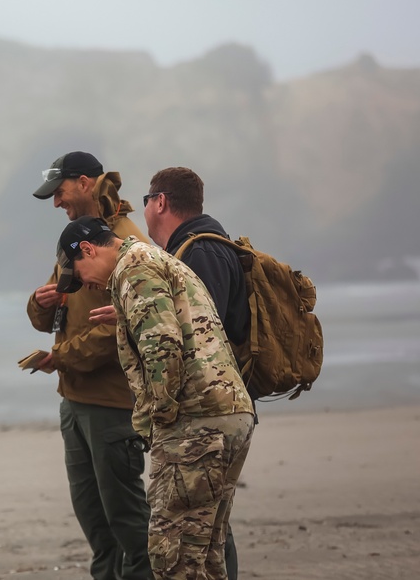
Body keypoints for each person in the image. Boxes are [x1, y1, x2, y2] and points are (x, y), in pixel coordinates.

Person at [56, 216, 255, 580]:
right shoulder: (152, 260)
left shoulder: (133, 268)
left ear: (87, 249)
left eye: (79, 274)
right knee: (207, 553)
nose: (85, 283)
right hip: (229, 411)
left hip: (195, 422)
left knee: (172, 554)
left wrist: (158, 420)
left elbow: (163, 349)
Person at [26, 151, 153, 580]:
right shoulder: (77, 237)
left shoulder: (126, 244)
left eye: (60, 193)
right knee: (96, 525)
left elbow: (128, 327)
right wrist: (40, 304)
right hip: (74, 399)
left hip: (114, 405)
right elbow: (55, 307)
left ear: (84, 183)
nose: (57, 203)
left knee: (129, 523)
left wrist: (60, 356)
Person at [143, 166, 250, 580]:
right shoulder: (204, 247)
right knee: (208, 543)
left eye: (148, 200)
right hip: (226, 411)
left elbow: (199, 338)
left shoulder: (199, 253)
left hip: (205, 417)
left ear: (161, 202)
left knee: (186, 547)